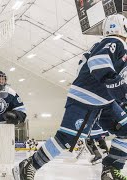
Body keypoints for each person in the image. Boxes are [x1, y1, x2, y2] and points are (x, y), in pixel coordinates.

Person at [13, 14, 127, 180]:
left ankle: (110, 169)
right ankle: (29, 165)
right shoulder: (115, 41)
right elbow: (98, 62)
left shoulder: (107, 45)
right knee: (66, 139)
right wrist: (114, 84)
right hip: (86, 99)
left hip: (104, 101)